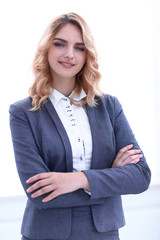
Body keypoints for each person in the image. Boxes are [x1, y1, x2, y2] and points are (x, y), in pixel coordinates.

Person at [9, 12, 151, 240]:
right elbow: (39, 193)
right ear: (47, 48)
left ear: (88, 54)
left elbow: (140, 176)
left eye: (79, 47)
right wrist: (111, 178)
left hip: (104, 234)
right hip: (46, 234)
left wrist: (78, 179)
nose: (69, 54)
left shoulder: (109, 106)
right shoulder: (23, 113)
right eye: (60, 44)